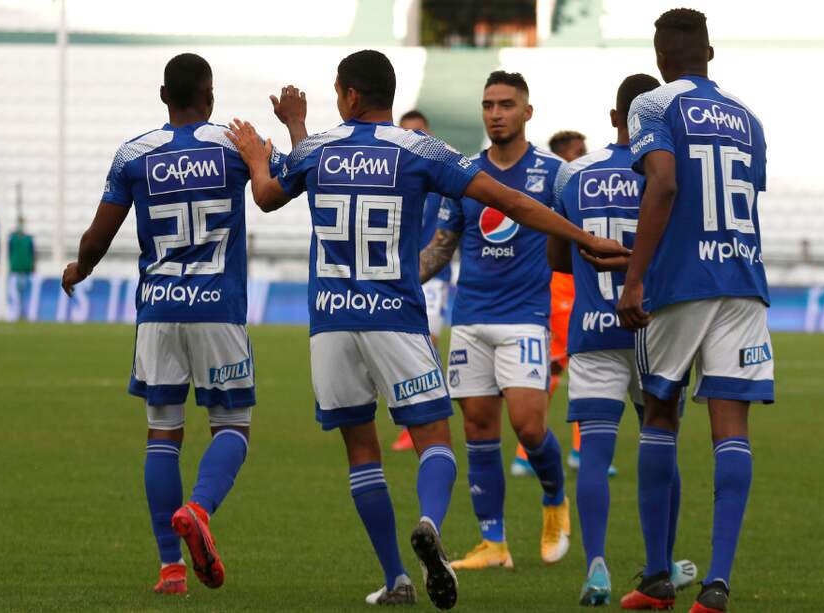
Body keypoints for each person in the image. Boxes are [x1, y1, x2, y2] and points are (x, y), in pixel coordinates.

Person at [226, 50, 629, 608]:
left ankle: (396, 578)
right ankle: (430, 524)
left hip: (331, 323)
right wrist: (585, 238)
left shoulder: (317, 149)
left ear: (348, 95)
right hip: (395, 317)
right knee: (435, 441)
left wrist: (261, 151)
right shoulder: (420, 150)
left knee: (362, 452)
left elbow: (268, 195)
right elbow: (511, 201)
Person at [61, 53, 307, 595]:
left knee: (162, 434)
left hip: (159, 311)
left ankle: (171, 569)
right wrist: (292, 125)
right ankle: (198, 508)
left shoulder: (134, 155)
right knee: (233, 427)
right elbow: (290, 180)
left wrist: (80, 268)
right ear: (210, 95)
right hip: (217, 310)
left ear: (163, 96)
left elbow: (98, 236)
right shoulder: (236, 143)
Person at [616, 9, 772, 613]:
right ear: (710, 53)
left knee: (659, 414)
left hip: (680, 282)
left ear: (660, 58)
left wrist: (634, 277)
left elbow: (664, 184)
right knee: (731, 428)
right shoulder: (749, 118)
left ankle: (658, 578)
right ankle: (717, 584)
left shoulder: (653, 104)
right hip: (742, 278)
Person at [550, 73, 696, 606]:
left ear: (615, 118)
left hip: (593, 327)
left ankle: (596, 567)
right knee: (661, 443)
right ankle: (663, 564)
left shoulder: (573, 174)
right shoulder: (671, 173)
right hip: (656, 327)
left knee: (594, 452)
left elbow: (556, 257)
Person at [419, 71, 572, 571]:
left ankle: (554, 499)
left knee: (529, 426)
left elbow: (576, 233)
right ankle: (493, 544)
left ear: (527, 111)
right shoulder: (464, 174)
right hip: (470, 317)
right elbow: (441, 247)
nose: (496, 113)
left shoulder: (553, 173)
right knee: (478, 429)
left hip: (525, 317)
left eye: (506, 104)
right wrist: (397, 279)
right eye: (488, 105)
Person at [512, 128, 590, 476]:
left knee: (576, 367)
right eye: (578, 152)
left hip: (580, 285)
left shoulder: (583, 188)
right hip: (559, 287)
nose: (584, 157)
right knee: (563, 366)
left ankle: (577, 451)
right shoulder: (555, 188)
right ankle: (528, 453)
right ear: (563, 158)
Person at [391, 109, 452, 453]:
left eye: (420, 132)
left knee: (425, 342)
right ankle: (412, 418)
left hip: (433, 275)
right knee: (399, 345)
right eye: (407, 132)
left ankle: (425, 419)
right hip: (395, 273)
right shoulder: (392, 176)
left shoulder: (440, 176)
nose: (414, 138)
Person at [8, 218, 35, 320]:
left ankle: (23, 313)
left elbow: (32, 253)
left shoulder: (29, 239)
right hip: (15, 269)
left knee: (24, 292)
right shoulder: (12, 238)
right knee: (16, 293)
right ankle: (16, 313)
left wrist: (33, 266)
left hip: (25, 269)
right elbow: (9, 252)